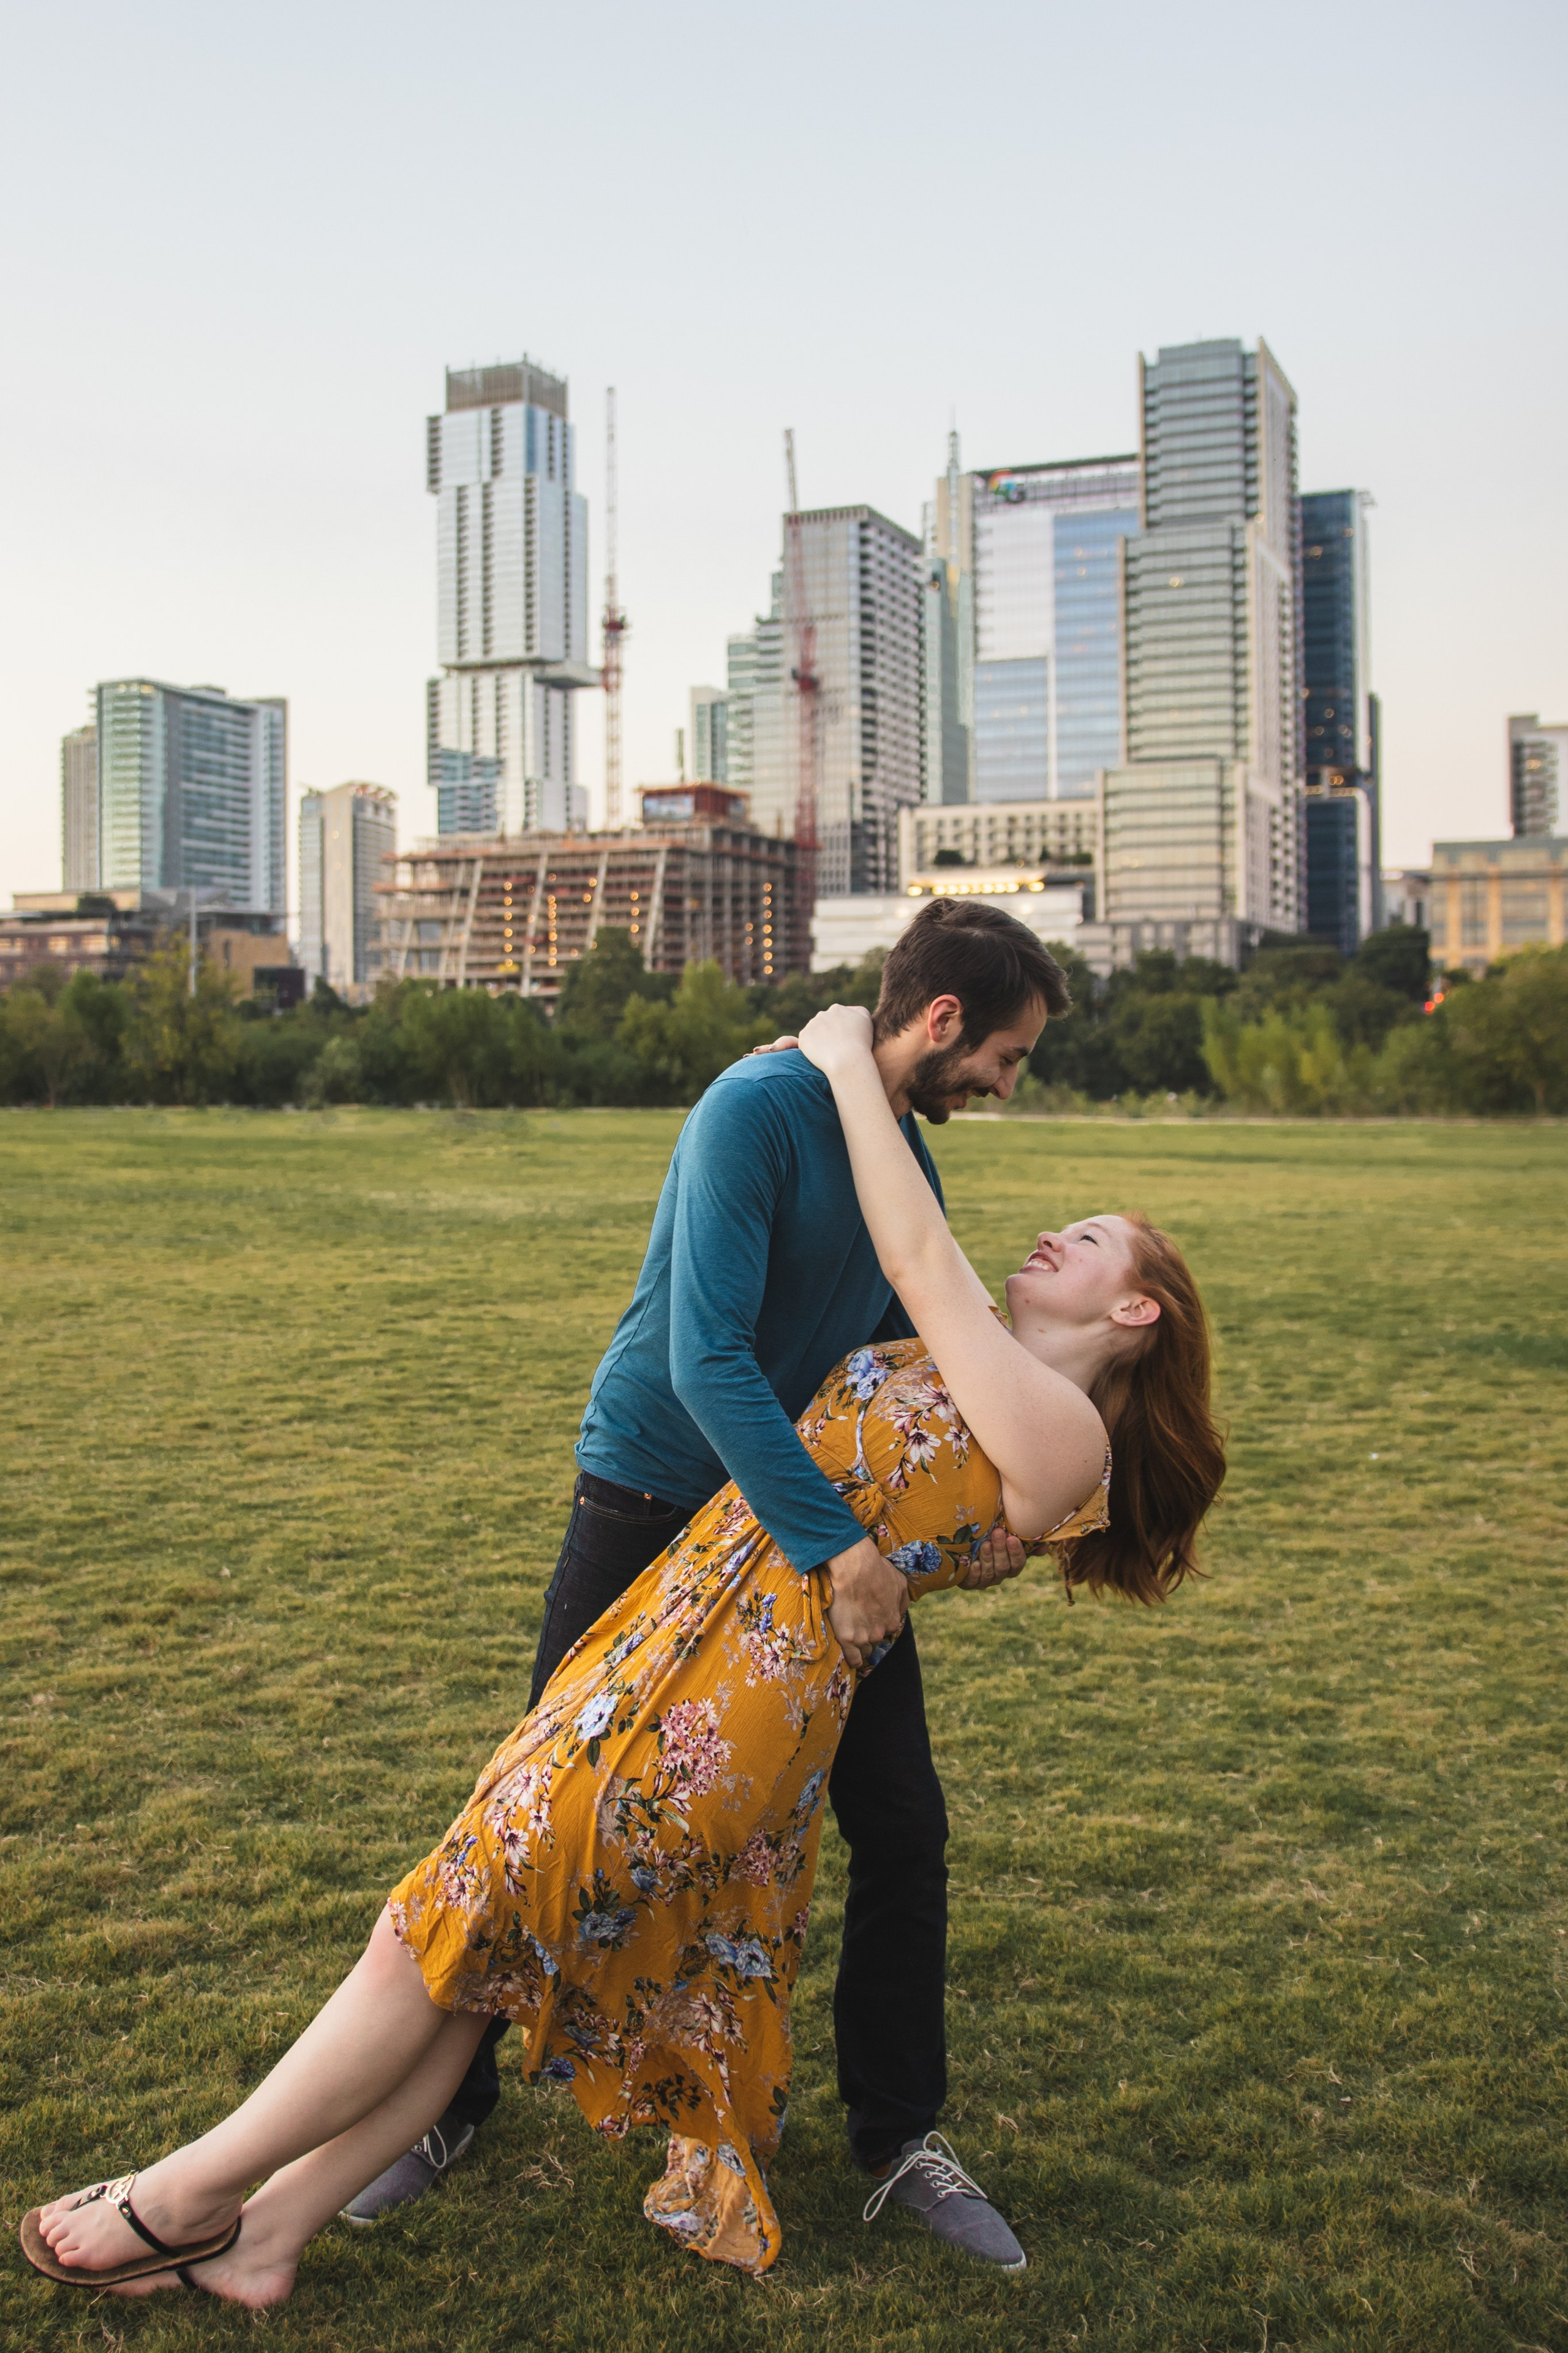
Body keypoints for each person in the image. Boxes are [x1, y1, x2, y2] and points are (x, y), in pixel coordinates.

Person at [23, 999, 1226, 2302]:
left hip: (726, 1707)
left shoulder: (1061, 1434)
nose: (1050, 1234)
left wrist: (836, 1059)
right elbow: (868, 1333)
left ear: (1137, 1313)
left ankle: (183, 2193)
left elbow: (920, 1258)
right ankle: (264, 2236)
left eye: (1089, 1240)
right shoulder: (973, 1363)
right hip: (669, 1640)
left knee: (443, 1921)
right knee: (476, 1940)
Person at [343, 895, 1069, 2262]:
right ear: (942, 1019)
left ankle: (897, 2137)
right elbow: (707, 1362)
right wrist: (841, 1550)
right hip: (655, 1487)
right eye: (1007, 1057)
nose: (1003, 1086)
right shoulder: (752, 1108)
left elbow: (890, 1359)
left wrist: (991, 1511)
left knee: (901, 1821)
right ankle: (447, 2109)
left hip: (785, 1531)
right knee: (534, 1815)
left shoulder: (897, 1153)